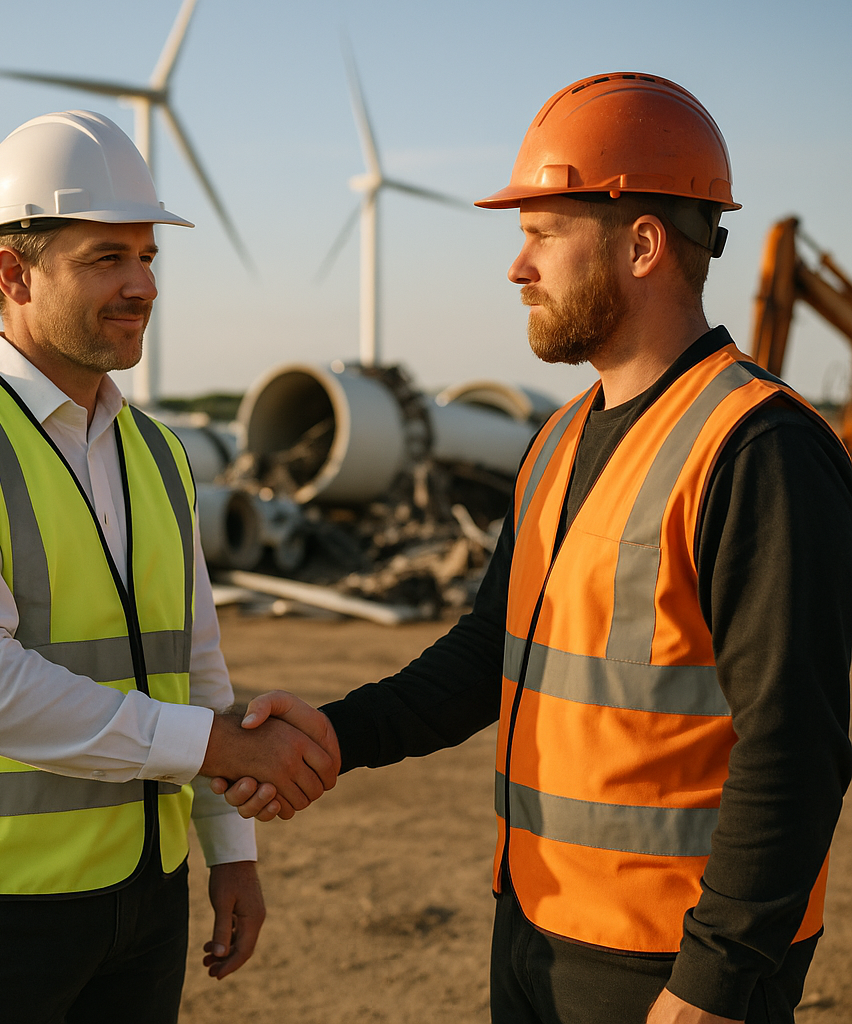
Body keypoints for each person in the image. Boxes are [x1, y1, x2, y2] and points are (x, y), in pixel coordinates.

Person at [212, 73, 852, 1024]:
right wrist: (339, 735)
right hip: (538, 931)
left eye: (543, 233)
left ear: (641, 244)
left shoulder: (759, 448)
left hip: (671, 967)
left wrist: (717, 981)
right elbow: (488, 654)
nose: (518, 268)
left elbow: (795, 746)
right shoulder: (558, 438)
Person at [0, 109, 338, 1024]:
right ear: (13, 271)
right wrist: (222, 748)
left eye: (149, 257)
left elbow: (196, 664)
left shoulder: (158, 453)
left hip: (143, 902)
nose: (143, 284)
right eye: (107, 258)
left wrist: (230, 848)